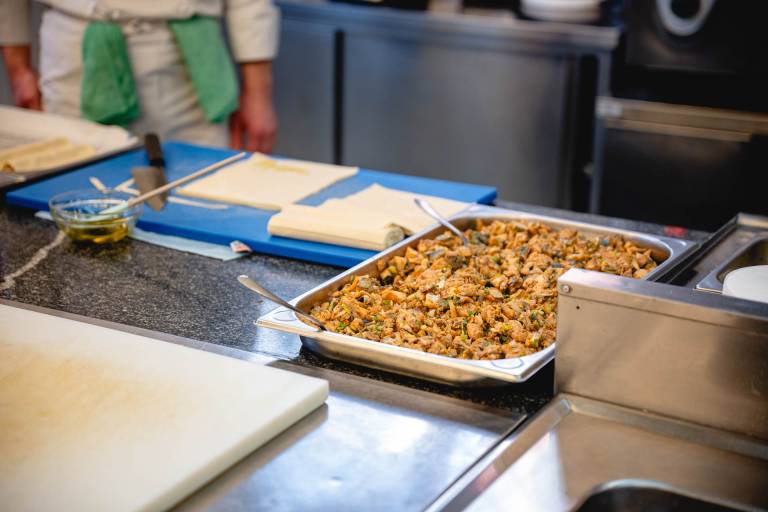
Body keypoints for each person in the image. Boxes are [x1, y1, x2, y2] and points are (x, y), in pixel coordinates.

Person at [0, 0, 279, 152]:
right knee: (77, 193)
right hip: (76, 54)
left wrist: (258, 92)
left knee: (202, 192)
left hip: (189, 67)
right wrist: (18, 68)